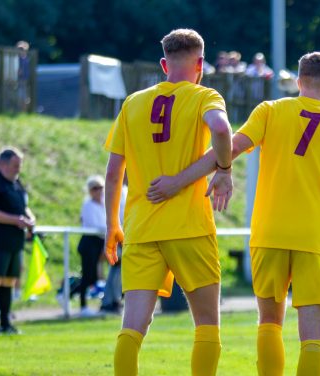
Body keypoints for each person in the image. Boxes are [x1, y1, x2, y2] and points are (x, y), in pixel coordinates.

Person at [146, 51, 320, 376]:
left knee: (269, 323)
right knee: (313, 336)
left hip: (269, 235)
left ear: (298, 82)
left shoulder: (270, 110)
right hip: (318, 240)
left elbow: (230, 147)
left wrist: (180, 181)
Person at [103, 28, 233, 376]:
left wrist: (112, 226)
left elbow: (114, 174)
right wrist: (223, 168)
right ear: (200, 64)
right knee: (206, 324)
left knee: (132, 327)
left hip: (142, 227)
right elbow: (221, 130)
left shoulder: (133, 102)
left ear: (164, 64)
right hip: (188, 226)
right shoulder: (205, 95)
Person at [0, 147, 36, 334]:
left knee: (9, 282)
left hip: (15, 242)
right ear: (3, 164)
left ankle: (5, 322)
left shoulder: (17, 183)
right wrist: (16, 220)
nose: (18, 168)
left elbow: (24, 207)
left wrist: (30, 219)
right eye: (15, 165)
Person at [71, 176, 106, 317]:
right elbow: (95, 224)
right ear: (90, 191)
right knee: (88, 276)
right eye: (95, 188)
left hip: (99, 242)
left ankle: (70, 293)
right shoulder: (88, 205)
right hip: (89, 243)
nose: (98, 191)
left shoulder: (104, 204)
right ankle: (82, 305)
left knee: (92, 277)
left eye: (100, 187)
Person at [100, 174, 127, 313]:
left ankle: (110, 300)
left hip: (123, 234)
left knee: (116, 270)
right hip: (119, 235)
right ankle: (113, 300)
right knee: (117, 269)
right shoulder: (118, 191)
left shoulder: (124, 190)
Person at [16, 41, 31, 112]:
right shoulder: (19, 59)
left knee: (23, 97)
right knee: (21, 96)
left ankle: (23, 111)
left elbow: (20, 72)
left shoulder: (24, 59)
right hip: (19, 81)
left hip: (22, 81)